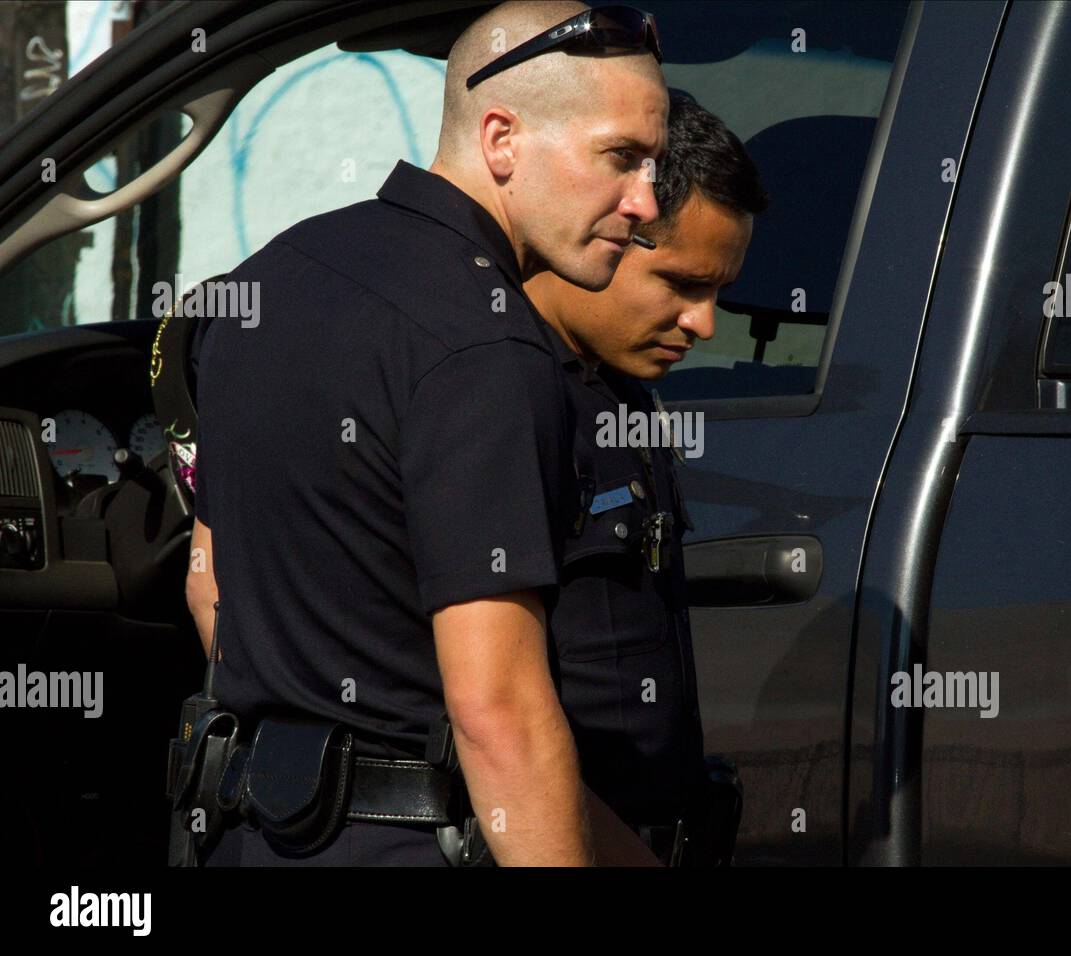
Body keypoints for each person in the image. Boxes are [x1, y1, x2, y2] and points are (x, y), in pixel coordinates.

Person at [183, 1, 669, 866]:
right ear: (502, 139)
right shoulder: (489, 345)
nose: (646, 201)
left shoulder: (267, 280)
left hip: (247, 837)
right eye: (621, 158)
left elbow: (209, 586)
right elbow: (498, 713)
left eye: (654, 164)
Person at [522, 90, 767, 861]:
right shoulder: (498, 400)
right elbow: (491, 721)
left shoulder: (622, 395)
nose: (704, 324)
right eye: (684, 284)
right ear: (604, 227)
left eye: (720, 292)